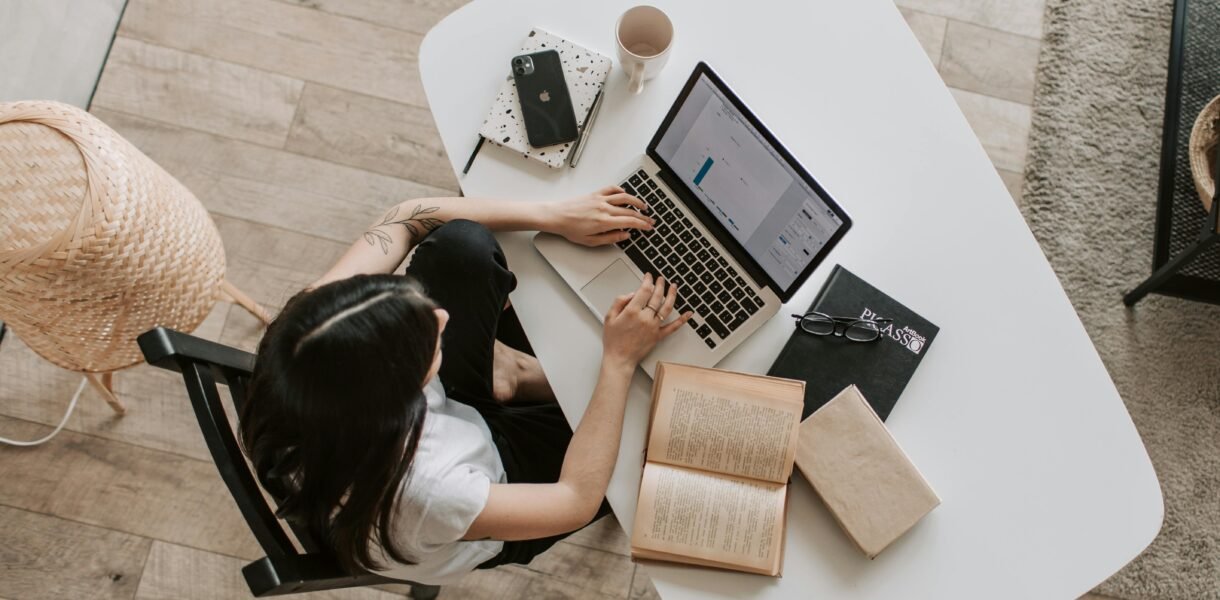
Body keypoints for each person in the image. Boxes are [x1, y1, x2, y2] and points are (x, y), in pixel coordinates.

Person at [240, 187, 693, 585]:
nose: (441, 317)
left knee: (460, 245)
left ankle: (509, 376)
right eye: (426, 343)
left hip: (426, 431)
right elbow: (574, 499)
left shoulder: (306, 337)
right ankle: (515, 377)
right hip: (495, 486)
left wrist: (552, 214)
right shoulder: (433, 490)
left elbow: (403, 218)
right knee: (656, 431)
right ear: (400, 397)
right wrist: (617, 362)